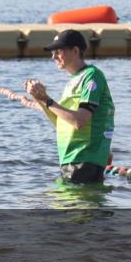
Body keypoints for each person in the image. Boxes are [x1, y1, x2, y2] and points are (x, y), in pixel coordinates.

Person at [24, 30, 115, 185]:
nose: (53, 56)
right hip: (70, 160)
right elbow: (61, 122)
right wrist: (40, 99)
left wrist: (47, 100)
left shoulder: (91, 76)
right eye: (52, 52)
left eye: (58, 51)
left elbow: (79, 121)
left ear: (75, 51)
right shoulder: (72, 81)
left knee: (72, 206)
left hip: (84, 160)